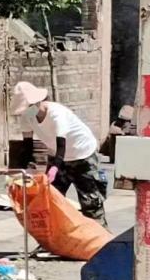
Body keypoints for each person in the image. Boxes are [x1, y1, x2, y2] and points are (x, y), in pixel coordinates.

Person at [12, 81, 107, 225]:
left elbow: (61, 144)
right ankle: (57, 236)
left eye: (29, 107)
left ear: (37, 102)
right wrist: (21, 169)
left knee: (91, 203)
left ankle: (100, 235)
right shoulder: (27, 116)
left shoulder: (56, 113)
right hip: (56, 155)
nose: (27, 111)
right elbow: (27, 145)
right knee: (51, 200)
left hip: (82, 154)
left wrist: (55, 168)